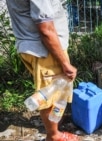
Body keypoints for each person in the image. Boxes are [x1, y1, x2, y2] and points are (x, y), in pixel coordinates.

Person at [6, 1, 78, 141]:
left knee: (53, 92)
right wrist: (65, 63)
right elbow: (45, 29)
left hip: (36, 46)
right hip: (45, 50)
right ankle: (53, 136)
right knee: (50, 95)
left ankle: (54, 128)